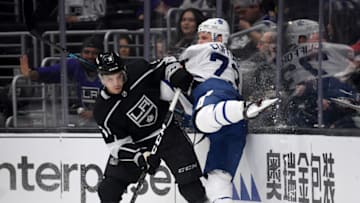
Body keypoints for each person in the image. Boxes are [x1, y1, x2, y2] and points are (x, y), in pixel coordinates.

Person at [170, 18, 277, 202]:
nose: (199, 41)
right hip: (231, 112)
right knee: (219, 178)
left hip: (214, 92)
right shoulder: (235, 63)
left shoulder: (198, 50)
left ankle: (244, 109)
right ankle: (242, 110)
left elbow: (171, 71)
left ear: (218, 37)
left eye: (203, 36)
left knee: (202, 118)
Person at [92, 52, 208, 203]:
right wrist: (140, 156)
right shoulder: (102, 110)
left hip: (167, 132)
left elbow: (167, 63)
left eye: (119, 76)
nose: (116, 83)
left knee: (191, 187)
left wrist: (175, 73)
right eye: (109, 79)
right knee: (108, 189)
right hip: (138, 143)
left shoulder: (139, 70)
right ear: (101, 78)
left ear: (124, 70)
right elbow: (117, 146)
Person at [19, 36, 103, 126]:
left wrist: (95, 113)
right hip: (86, 122)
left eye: (95, 53)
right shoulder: (74, 65)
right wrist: (30, 74)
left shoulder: (111, 71)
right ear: (81, 54)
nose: (90, 56)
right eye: (87, 52)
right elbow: (50, 72)